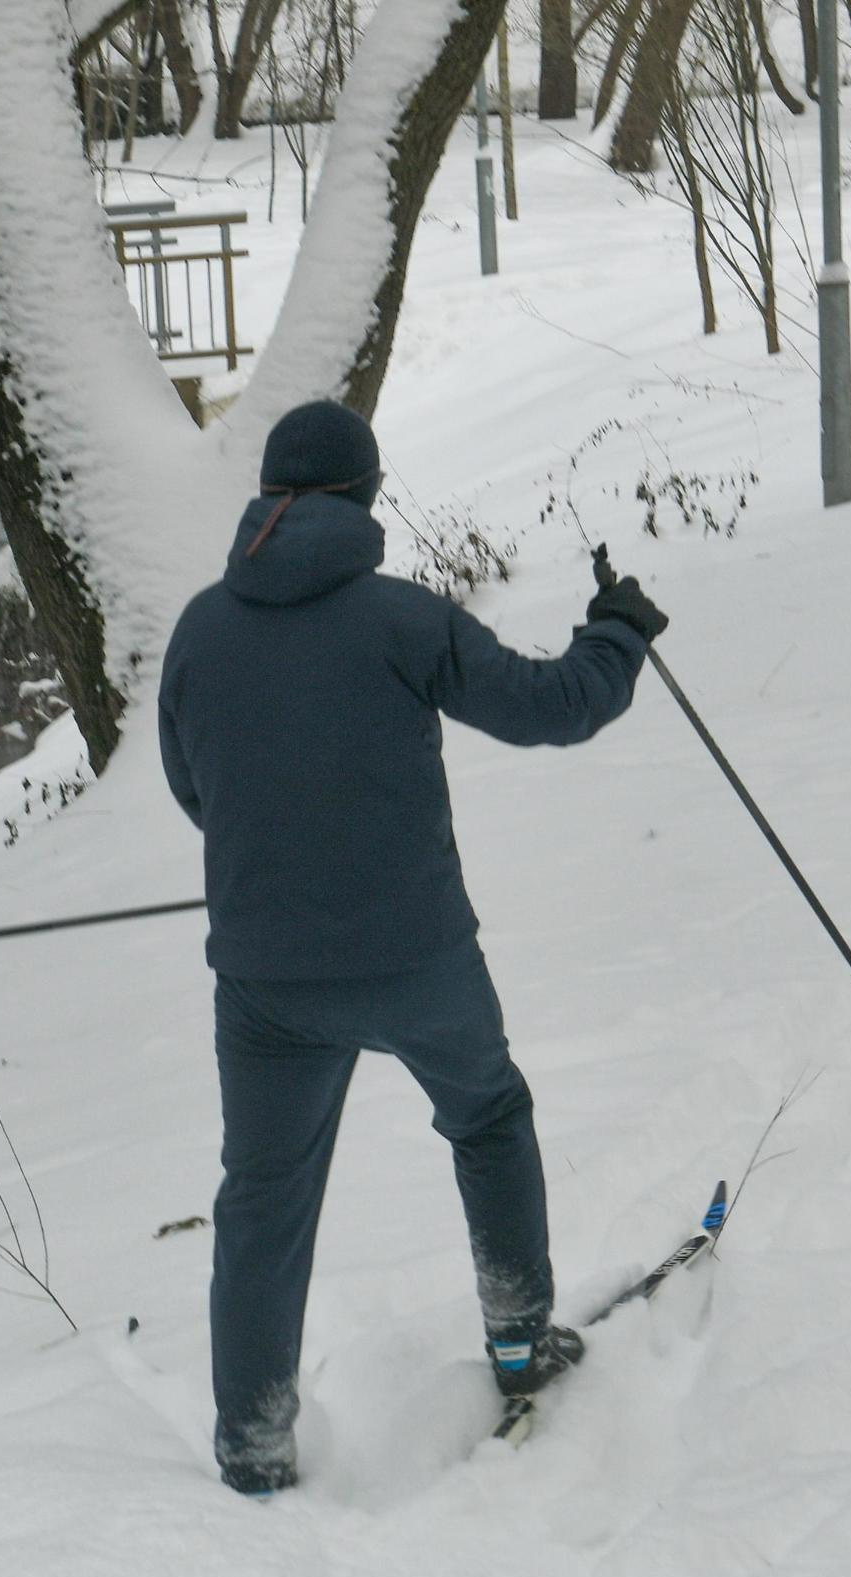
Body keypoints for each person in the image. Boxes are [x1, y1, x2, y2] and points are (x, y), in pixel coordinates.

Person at [157, 400, 669, 1495]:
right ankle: (521, 1343)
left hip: (264, 985)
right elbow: (551, 709)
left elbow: (193, 786)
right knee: (486, 1116)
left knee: (263, 1196)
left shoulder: (201, 630)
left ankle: (251, 1444)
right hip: (416, 960)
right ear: (364, 497)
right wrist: (618, 631)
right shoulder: (403, 619)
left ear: (270, 497)